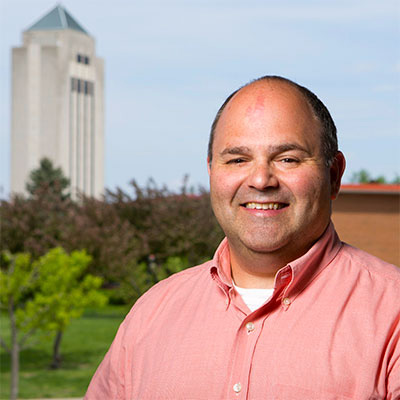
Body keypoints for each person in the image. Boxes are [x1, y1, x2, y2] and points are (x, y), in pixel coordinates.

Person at [85, 76, 400, 399]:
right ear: (211, 172)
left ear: (333, 175)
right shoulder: (150, 314)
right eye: (237, 159)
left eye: (287, 158)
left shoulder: (393, 313)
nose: (261, 179)